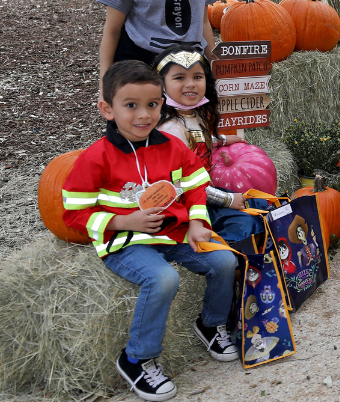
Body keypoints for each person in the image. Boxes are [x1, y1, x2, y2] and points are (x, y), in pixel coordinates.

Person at [61, 61, 239, 401]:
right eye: (131, 106)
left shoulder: (172, 148)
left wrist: (198, 222)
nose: (144, 115)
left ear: (162, 104)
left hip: (173, 234)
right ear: (107, 109)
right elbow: (73, 216)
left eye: (152, 105)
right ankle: (136, 358)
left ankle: (211, 323)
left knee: (223, 261)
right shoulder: (95, 158)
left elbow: (196, 187)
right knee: (162, 279)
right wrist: (123, 222)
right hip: (126, 242)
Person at [152, 44, 266, 242]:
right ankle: (224, 255)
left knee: (260, 205)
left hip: (204, 193)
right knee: (246, 225)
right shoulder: (170, 129)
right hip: (187, 205)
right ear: (161, 85)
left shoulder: (192, 114)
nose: (191, 84)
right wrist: (227, 200)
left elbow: (196, 144)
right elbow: (182, 185)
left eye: (197, 76)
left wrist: (221, 140)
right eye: (180, 78)